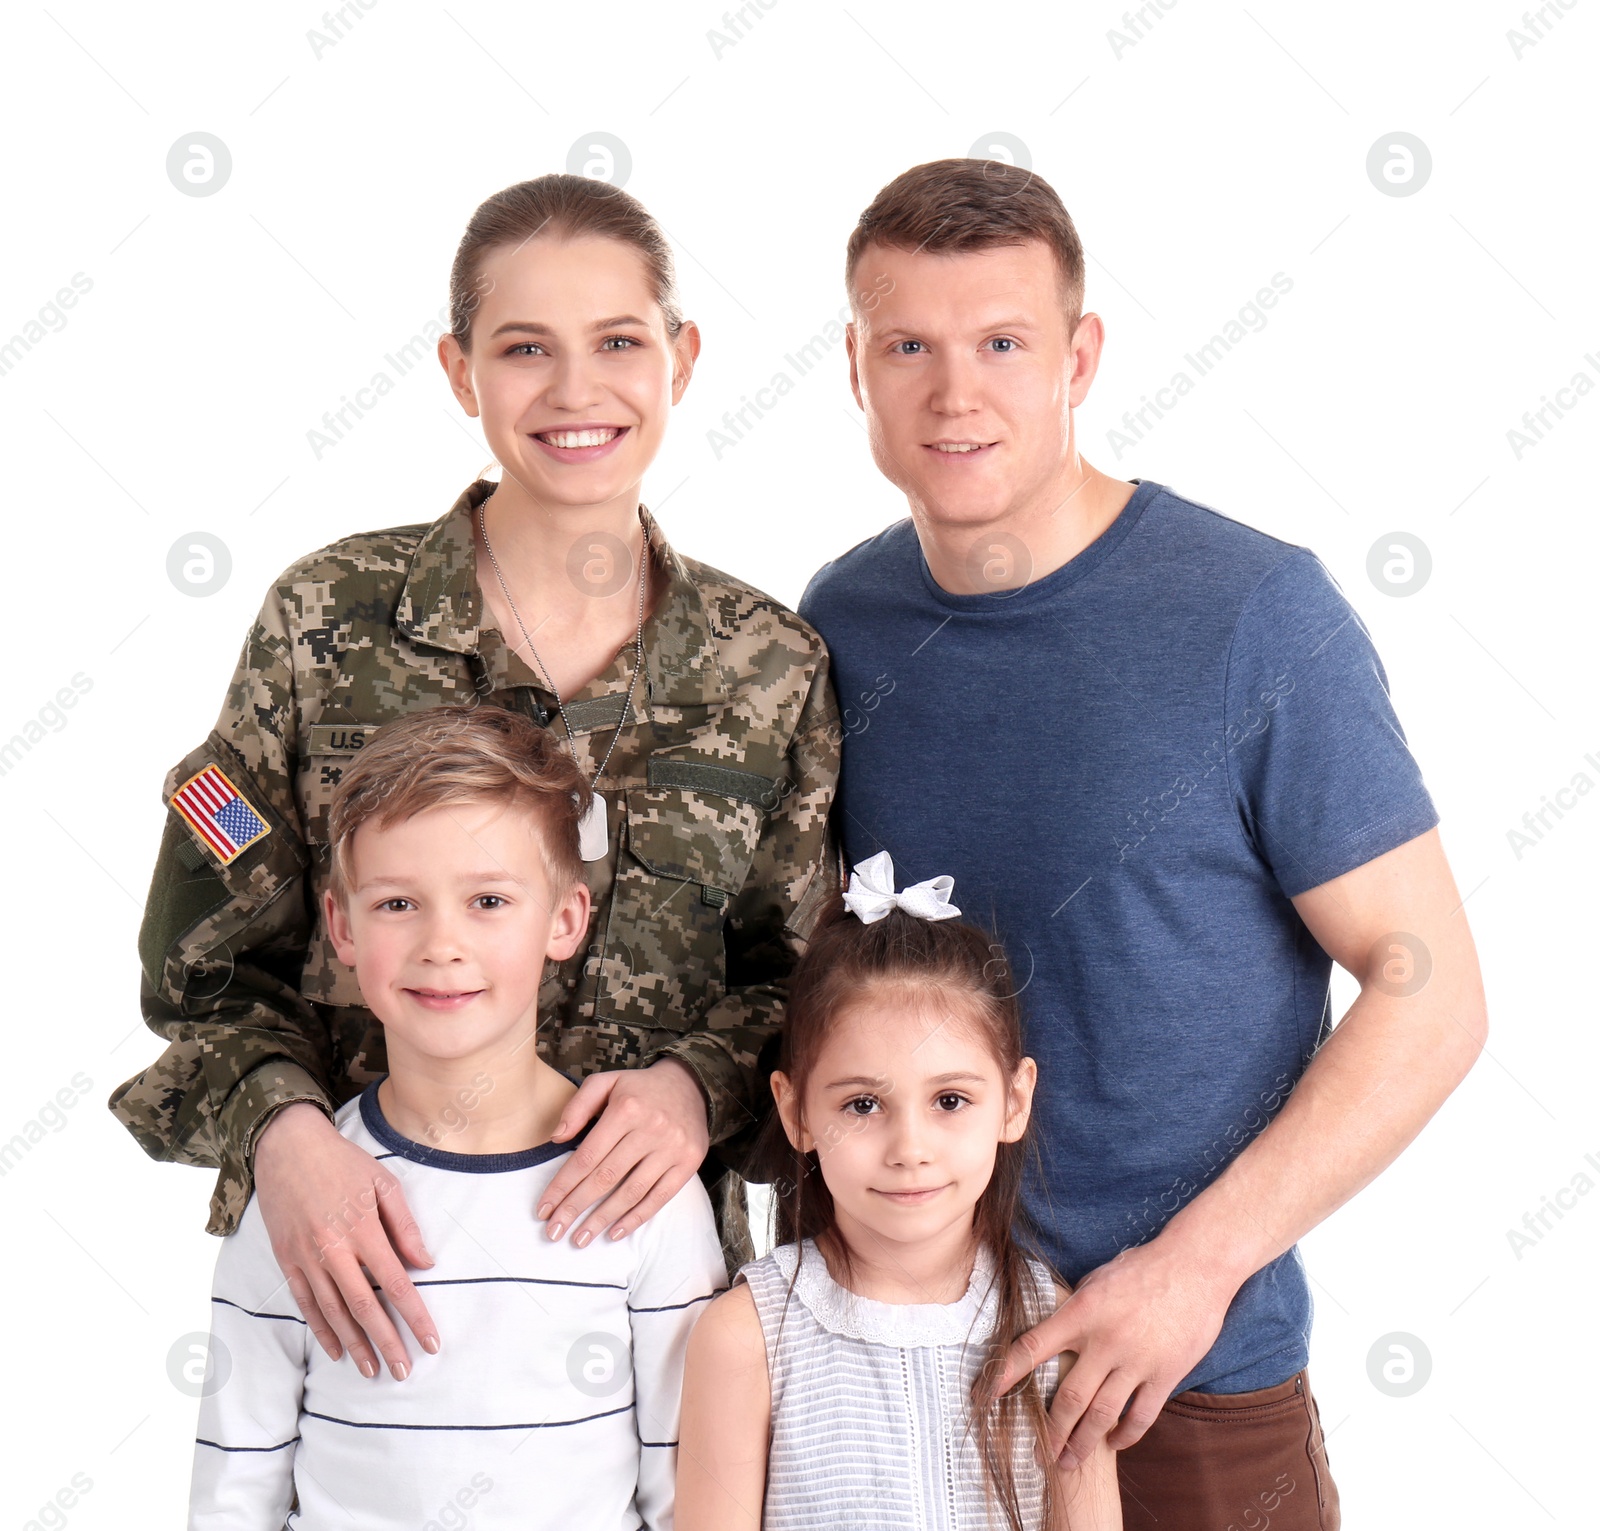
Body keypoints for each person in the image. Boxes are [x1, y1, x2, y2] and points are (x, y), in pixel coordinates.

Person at [798, 159, 1488, 1529]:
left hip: (1177, 1376)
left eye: (1002, 341)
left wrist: (1193, 1269)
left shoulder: (1254, 614)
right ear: (856, 369)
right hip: (891, 1370)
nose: (956, 392)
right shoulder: (843, 616)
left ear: (1081, 356)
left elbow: (1436, 992)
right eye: (910, 347)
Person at [110, 172, 839, 1389]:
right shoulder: (321, 624)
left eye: (617, 340)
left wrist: (693, 1086)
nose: (574, 390)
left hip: (651, 1317)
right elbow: (202, 972)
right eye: (522, 349)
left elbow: (807, 989)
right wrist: (281, 1132)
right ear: (459, 372)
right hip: (369, 1298)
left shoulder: (769, 666)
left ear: (683, 357)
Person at [188, 704, 726, 1530]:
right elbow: (237, 1482)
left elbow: (684, 1490)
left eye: (487, 900)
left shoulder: (643, 1194)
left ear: (565, 921)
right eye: (399, 903)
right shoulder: (300, 1191)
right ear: (342, 926)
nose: (442, 944)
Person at [677, 852, 1122, 1531]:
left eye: (949, 1098)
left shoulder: (1054, 1327)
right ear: (795, 1111)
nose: (909, 1147)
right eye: (862, 1104)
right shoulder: (745, 1337)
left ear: (1014, 1099)